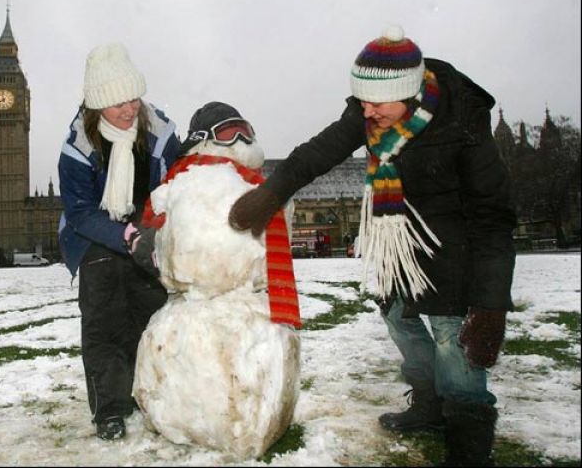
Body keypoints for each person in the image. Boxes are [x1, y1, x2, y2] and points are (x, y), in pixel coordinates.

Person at [228, 25, 516, 466]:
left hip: (453, 252)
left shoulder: (463, 123)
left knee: (452, 345)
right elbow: (319, 151)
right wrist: (275, 190)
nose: (367, 111)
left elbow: (494, 217)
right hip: (396, 245)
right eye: (362, 101)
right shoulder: (370, 112)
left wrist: (492, 306)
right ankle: (428, 406)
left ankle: (469, 448)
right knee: (403, 324)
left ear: (410, 93)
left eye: (377, 103)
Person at [57, 42, 182, 440]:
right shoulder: (78, 148)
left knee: (151, 312)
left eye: (133, 98)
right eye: (116, 104)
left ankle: (153, 395)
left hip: (146, 229)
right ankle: (110, 407)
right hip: (93, 235)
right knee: (105, 317)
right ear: (97, 108)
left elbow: (178, 180)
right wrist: (124, 235)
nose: (128, 109)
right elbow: (80, 213)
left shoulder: (160, 133)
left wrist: (152, 229)